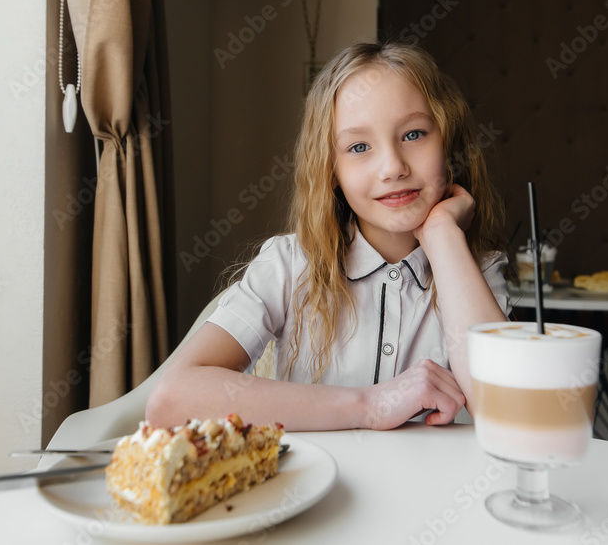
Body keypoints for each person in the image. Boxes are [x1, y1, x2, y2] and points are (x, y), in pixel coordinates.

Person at [146, 41, 510, 431]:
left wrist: (442, 236)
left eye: (413, 134)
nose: (392, 167)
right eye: (358, 146)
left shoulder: (477, 271)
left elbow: (507, 412)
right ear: (331, 170)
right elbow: (172, 398)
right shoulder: (288, 265)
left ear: (449, 144)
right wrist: (369, 405)